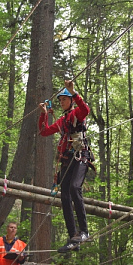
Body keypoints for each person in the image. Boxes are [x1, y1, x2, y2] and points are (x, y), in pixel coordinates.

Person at [39, 80, 92, 253]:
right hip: (68, 160)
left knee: (75, 188)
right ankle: (73, 237)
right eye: (60, 100)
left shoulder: (76, 113)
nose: (61, 103)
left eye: (64, 99)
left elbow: (86, 110)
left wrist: (74, 92)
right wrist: (44, 114)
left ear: (70, 101)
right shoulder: (62, 121)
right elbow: (44, 131)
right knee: (65, 196)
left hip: (81, 156)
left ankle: (84, 231)